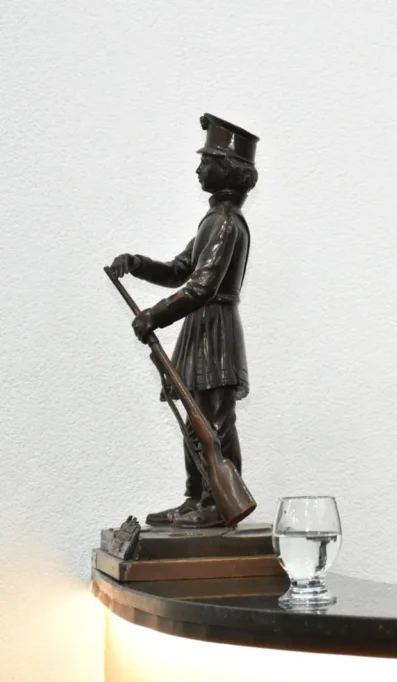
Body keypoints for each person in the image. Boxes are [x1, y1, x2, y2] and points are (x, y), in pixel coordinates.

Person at [108, 113, 258, 529]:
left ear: (227, 169)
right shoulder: (214, 220)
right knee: (196, 422)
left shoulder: (225, 222)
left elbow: (203, 285)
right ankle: (197, 497)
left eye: (207, 160)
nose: (198, 168)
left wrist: (154, 316)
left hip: (216, 331)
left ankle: (219, 502)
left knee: (214, 424)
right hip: (202, 327)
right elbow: (180, 271)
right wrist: (137, 264)